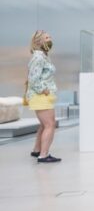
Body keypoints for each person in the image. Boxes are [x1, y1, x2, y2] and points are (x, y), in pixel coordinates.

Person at [26, 30, 60, 163]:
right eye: (46, 38)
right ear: (38, 41)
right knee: (50, 125)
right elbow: (33, 79)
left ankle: (37, 150)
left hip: (42, 96)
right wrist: (43, 90)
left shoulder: (43, 56)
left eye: (50, 37)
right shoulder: (39, 57)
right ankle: (44, 155)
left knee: (44, 125)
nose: (49, 39)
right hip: (40, 96)